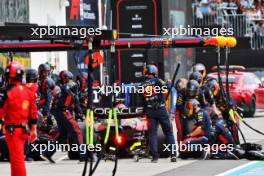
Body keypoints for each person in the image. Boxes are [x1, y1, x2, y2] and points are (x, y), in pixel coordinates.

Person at [0, 61, 38, 176]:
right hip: (24, 130)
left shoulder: (8, 92)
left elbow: (1, 111)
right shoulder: (28, 91)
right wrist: (34, 130)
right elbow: (33, 112)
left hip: (13, 131)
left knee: (17, 162)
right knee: (17, 160)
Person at [141, 64, 177, 163]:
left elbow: (142, 101)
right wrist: (169, 83)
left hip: (149, 111)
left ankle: (155, 157)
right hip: (161, 110)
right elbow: (167, 87)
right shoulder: (157, 81)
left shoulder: (142, 85)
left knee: (152, 134)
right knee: (168, 132)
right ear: (155, 72)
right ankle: (173, 155)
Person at [53, 70, 84, 161]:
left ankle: (48, 152)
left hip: (57, 112)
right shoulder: (72, 84)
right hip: (64, 111)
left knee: (63, 135)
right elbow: (76, 101)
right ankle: (83, 155)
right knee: (77, 132)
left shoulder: (57, 86)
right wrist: (80, 113)